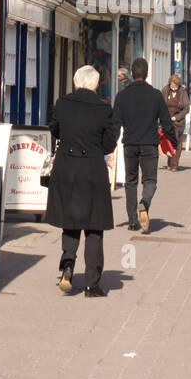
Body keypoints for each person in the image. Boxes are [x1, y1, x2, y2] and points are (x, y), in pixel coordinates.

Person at [46, 65, 121, 297]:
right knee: (94, 226)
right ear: (96, 85)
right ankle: (92, 283)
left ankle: (67, 266)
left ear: (75, 82)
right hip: (92, 171)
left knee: (70, 221)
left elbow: (54, 129)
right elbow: (110, 143)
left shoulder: (62, 103)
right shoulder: (103, 108)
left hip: (66, 168)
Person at [113, 57, 176, 233]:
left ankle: (132, 221)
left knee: (130, 182)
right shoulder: (156, 95)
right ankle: (144, 203)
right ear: (147, 74)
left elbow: (115, 124)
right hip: (149, 143)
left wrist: (108, 144)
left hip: (130, 144)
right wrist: (174, 142)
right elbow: (166, 122)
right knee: (150, 181)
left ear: (132, 74)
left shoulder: (122, 96)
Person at [162, 74, 190, 172]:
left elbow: (186, 108)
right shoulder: (165, 90)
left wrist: (177, 117)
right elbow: (161, 104)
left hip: (178, 121)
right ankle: (170, 161)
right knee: (168, 141)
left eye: (175, 86)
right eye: (172, 86)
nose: (173, 88)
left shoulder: (182, 92)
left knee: (177, 142)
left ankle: (175, 164)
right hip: (166, 120)